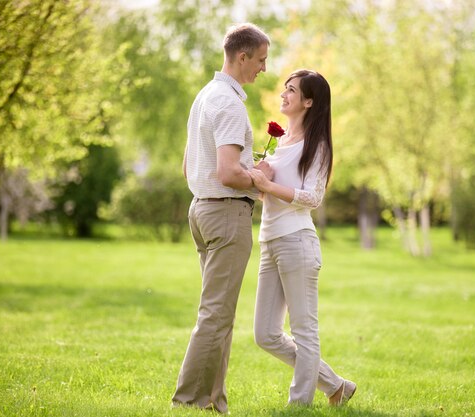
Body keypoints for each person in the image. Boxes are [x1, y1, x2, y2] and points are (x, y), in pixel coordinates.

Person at [172, 23, 273, 414]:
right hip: (226, 213)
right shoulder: (229, 103)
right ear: (242, 56)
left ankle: (214, 401)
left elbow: (189, 167)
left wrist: (247, 167)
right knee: (216, 315)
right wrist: (258, 178)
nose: (264, 68)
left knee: (219, 313)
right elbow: (229, 173)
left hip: (202, 211)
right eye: (261, 60)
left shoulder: (204, 96)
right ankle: (189, 400)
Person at [248, 69, 357, 406]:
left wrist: (267, 185)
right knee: (265, 333)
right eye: (285, 89)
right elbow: (272, 196)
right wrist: (260, 183)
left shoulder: (317, 145)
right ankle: (336, 385)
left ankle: (299, 406)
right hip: (270, 243)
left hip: (297, 242)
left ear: (309, 101)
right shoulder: (280, 144)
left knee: (304, 331)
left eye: (291, 91)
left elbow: (313, 197)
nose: (284, 95)